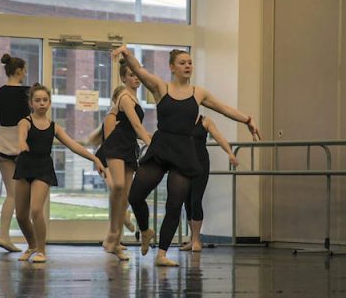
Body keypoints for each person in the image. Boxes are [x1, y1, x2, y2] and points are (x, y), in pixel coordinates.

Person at [112, 45, 261, 266]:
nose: (187, 65)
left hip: (183, 152)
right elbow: (140, 70)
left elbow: (223, 108)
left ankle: (161, 254)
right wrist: (126, 53)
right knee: (135, 195)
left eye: (190, 62)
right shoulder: (161, 87)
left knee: (174, 204)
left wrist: (247, 120)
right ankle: (145, 231)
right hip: (162, 147)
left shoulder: (198, 93)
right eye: (182, 63)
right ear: (172, 67)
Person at [14, 83, 105, 263]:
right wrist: (22, 143)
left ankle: (41, 250)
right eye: (37, 100)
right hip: (25, 167)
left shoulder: (54, 127)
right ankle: (31, 245)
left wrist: (95, 159)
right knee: (21, 215)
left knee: (36, 209)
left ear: (50, 102)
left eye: (45, 100)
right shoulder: (25, 122)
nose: (42, 103)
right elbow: (21, 135)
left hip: (42, 168)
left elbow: (74, 145)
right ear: (31, 103)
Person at [94, 60, 152, 261]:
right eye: (131, 75)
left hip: (128, 148)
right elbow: (135, 126)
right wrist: (149, 143)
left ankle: (115, 241)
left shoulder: (136, 99)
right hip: (116, 147)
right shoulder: (125, 97)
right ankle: (112, 234)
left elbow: (133, 130)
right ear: (124, 78)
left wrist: (151, 138)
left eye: (137, 74)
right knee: (118, 186)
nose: (136, 78)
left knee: (125, 196)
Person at [0, 53, 30, 252]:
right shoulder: (27, 93)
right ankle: (32, 238)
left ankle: (4, 235)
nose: (25, 73)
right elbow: (33, 118)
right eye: (24, 70)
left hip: (2, 143)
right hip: (20, 142)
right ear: (19, 72)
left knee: (11, 194)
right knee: (24, 195)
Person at [179, 115, 239, 252]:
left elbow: (219, 136)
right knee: (186, 201)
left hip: (200, 164)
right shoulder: (180, 119)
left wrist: (230, 153)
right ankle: (193, 238)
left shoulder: (205, 121)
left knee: (196, 200)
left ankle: (196, 239)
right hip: (183, 164)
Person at [87, 85, 137, 239]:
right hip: (108, 158)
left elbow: (136, 133)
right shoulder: (111, 116)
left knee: (124, 195)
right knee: (116, 188)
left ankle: (122, 221)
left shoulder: (127, 118)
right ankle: (118, 229)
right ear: (115, 100)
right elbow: (109, 143)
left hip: (121, 157)